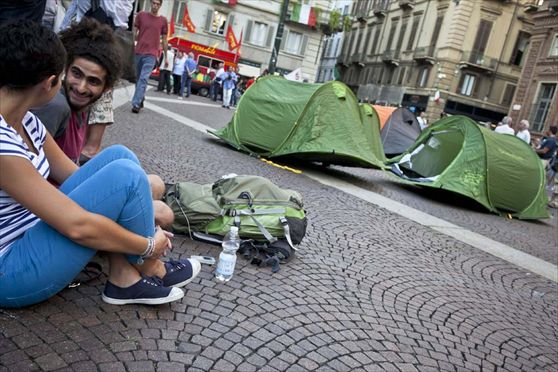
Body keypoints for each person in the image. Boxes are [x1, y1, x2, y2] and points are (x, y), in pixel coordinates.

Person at [0, 20, 200, 308]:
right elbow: (77, 226)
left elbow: (80, 179)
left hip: (32, 233)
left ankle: (123, 278)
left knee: (119, 158)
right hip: (9, 270)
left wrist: (133, 210)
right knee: (127, 177)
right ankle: (150, 266)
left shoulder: (26, 121)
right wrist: (146, 245)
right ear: (49, 83)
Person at [32, 18, 120, 165]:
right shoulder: (57, 106)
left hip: (65, 183)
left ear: (106, 89)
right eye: (77, 74)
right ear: (66, 69)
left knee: (119, 154)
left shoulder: (81, 110)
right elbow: (27, 166)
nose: (81, 88)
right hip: (48, 187)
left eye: (93, 81)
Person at [131, 0, 167, 113]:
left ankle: (136, 104)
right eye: (154, 3)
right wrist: (132, 45)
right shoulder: (141, 15)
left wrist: (166, 56)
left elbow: (165, 40)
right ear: (151, 3)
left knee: (143, 78)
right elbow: (134, 30)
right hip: (138, 51)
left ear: (160, 6)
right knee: (137, 78)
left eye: (158, 4)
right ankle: (140, 98)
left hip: (152, 54)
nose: (155, 6)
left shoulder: (163, 21)